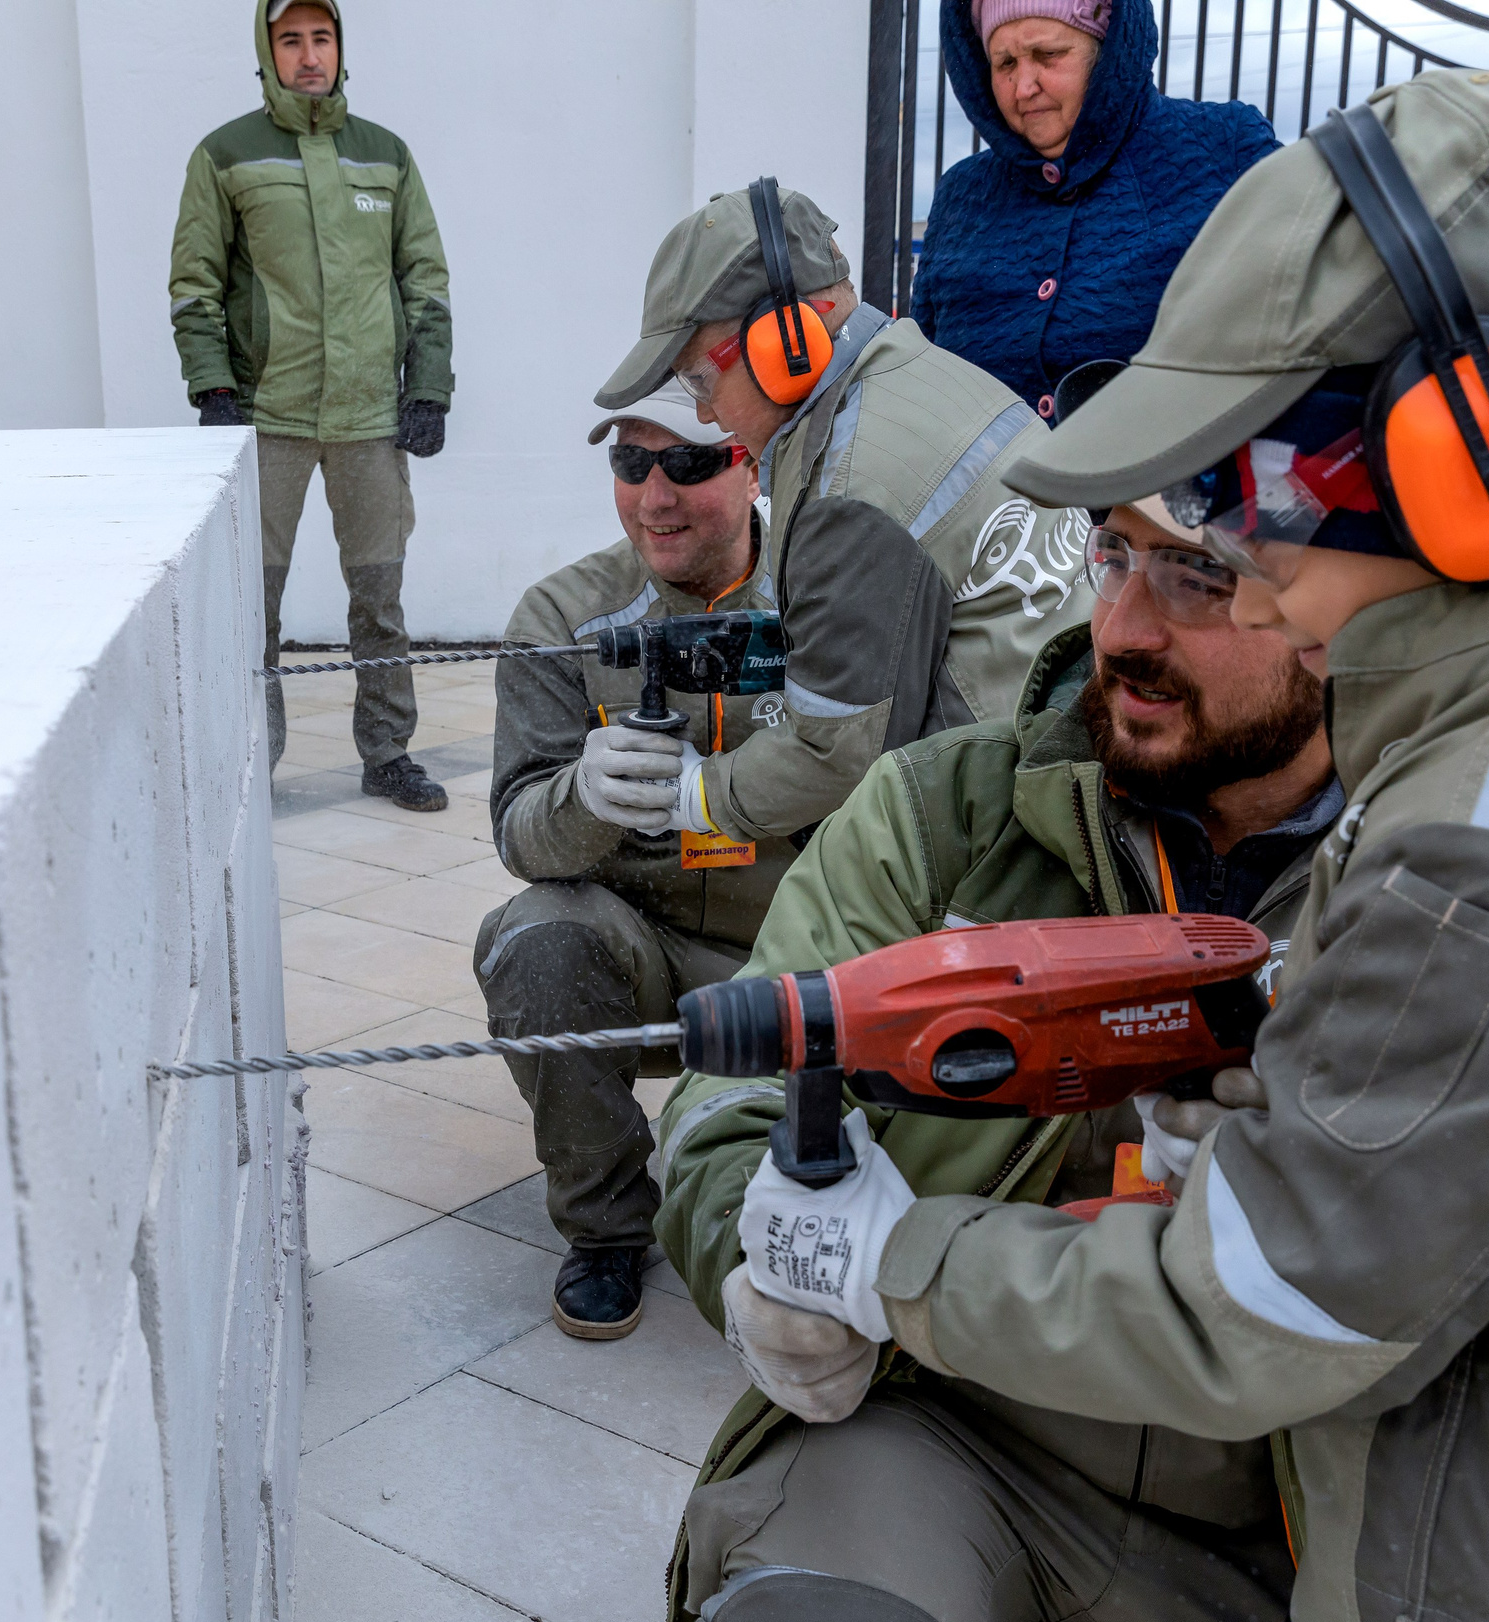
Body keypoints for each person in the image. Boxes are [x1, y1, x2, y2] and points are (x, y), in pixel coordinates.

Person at [684, 71, 1489, 1622]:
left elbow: (1260, 1306)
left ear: (1482, 457)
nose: (1232, 583)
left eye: (1244, 520)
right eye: (1128, 551)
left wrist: (898, 1259)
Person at [648, 497, 1339, 1622]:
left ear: (1340, 608)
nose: (1120, 627)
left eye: (1197, 575)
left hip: (1276, 1494)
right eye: (1110, 555)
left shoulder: (1442, 868)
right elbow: (729, 1097)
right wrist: (747, 1253)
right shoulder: (949, 811)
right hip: (953, 1416)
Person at [479, 382, 952, 1338]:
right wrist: (582, 798)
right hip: (645, 955)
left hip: (809, 949)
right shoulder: (564, 615)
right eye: (631, 464)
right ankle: (608, 1225)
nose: (656, 495)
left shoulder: (833, 601)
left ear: (752, 461)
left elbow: (926, 789)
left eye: (690, 463)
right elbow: (519, 831)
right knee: (536, 942)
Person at [599, 181, 1094, 769]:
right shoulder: (933, 378)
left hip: (998, 811)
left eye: (702, 380)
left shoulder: (850, 487)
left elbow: (835, 754)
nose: (706, 413)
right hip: (1067, 752)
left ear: (785, 342)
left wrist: (697, 797)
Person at [170, 0, 455, 809]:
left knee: (380, 597)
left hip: (370, 420)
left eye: (320, 38)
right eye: (289, 39)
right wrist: (216, 388)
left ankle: (388, 751)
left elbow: (425, 280)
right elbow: (194, 285)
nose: (307, 55)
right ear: (266, 49)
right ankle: (253, 765)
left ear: (339, 48)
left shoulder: (386, 156)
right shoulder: (225, 155)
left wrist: (427, 387)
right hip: (271, 418)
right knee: (251, 605)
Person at [914, 0, 1278, 425]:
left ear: (1109, 49)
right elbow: (925, 376)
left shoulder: (1223, 149)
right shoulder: (962, 196)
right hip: (991, 490)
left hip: (1173, 482)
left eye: (1048, 55)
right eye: (1005, 62)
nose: (1024, 86)